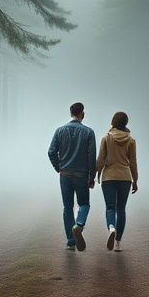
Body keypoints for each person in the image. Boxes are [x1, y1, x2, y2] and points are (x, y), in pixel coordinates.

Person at [48, 102, 96, 251]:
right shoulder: (88, 132)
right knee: (84, 204)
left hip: (65, 175)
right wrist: (91, 176)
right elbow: (91, 156)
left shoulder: (59, 131)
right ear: (83, 114)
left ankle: (70, 241)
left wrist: (58, 167)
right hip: (81, 175)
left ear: (70, 113)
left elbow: (51, 152)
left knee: (67, 207)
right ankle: (79, 226)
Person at [96, 111, 138, 252]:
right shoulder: (131, 141)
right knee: (121, 209)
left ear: (113, 121)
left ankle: (111, 227)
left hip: (108, 177)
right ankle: (118, 242)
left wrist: (97, 174)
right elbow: (133, 162)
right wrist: (135, 179)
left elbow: (101, 159)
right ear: (125, 123)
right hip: (125, 178)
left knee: (110, 207)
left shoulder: (106, 138)